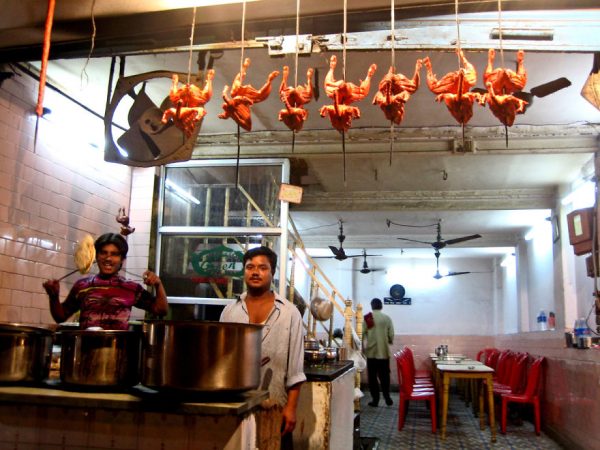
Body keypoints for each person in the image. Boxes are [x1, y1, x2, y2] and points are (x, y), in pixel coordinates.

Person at [220, 246, 305, 449]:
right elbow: (222, 360)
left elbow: (295, 369)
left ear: (272, 272)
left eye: (262, 267)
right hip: (236, 405)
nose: (255, 272)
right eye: (250, 267)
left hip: (275, 406)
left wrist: (291, 408)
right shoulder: (230, 311)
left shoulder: (289, 313)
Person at [42, 232, 168, 330]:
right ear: (96, 256)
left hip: (118, 351)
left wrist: (158, 284)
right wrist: (54, 296)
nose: (108, 258)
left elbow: (161, 310)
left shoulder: (132, 288)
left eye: (114, 254)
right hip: (85, 350)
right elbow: (60, 317)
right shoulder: (82, 286)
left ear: (122, 259)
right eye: (103, 253)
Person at [363, 297, 394, 407]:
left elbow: (362, 334)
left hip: (371, 353)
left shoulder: (368, 318)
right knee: (385, 376)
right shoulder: (387, 318)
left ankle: (375, 400)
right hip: (384, 353)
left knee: (372, 378)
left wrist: (363, 347)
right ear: (381, 306)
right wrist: (388, 341)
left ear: (372, 306)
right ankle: (387, 397)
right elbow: (391, 335)